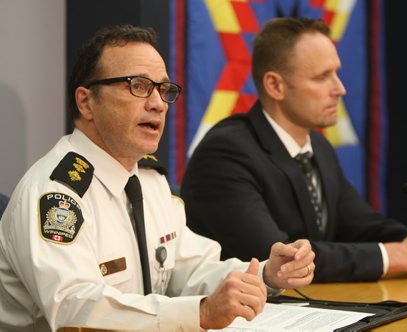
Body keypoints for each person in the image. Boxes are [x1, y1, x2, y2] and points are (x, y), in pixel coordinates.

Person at [0, 25, 315, 331]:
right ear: (86, 102)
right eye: (137, 85)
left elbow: (187, 269)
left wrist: (264, 276)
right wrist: (202, 313)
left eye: (164, 90)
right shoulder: (56, 193)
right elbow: (74, 309)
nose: (157, 104)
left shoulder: (149, 180)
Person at [181, 17, 407, 283]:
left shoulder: (317, 145)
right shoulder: (225, 154)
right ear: (275, 86)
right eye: (321, 77)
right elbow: (280, 259)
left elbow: (362, 225)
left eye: (337, 74)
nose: (340, 88)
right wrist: (402, 256)